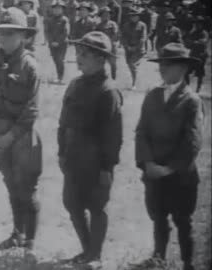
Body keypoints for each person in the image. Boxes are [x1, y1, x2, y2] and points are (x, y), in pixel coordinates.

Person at [135, 42, 204, 270]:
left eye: (169, 65)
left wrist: (169, 168)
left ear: (183, 68)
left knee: (183, 221)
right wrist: (148, 163)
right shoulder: (153, 95)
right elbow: (141, 131)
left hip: (180, 175)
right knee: (158, 217)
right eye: (161, 64)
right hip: (154, 172)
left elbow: (192, 141)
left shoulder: (191, 101)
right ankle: (159, 257)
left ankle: (188, 263)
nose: (162, 69)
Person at [0, 7, 42, 250]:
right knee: (11, 185)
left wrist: (9, 137)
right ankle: (17, 234)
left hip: (22, 138)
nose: (5, 39)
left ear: (23, 36)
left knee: (26, 188)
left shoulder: (30, 67)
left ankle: (30, 244)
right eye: (2, 33)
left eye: (11, 34)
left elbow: (31, 110)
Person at [58, 31, 122, 269]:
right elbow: (62, 123)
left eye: (85, 54)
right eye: (78, 52)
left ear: (100, 59)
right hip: (73, 157)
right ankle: (86, 250)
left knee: (96, 207)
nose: (79, 57)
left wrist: (107, 167)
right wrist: (61, 152)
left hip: (96, 162)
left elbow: (113, 136)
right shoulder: (75, 84)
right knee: (72, 203)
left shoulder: (108, 91)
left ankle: (95, 256)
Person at [44, 0, 70, 84]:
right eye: (55, 9)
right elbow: (47, 32)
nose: (57, 10)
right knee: (55, 60)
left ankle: (61, 78)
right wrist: (51, 41)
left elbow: (65, 32)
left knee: (60, 60)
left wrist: (58, 41)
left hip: (62, 44)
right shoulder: (49, 20)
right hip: (52, 44)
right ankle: (59, 76)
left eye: (59, 9)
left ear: (62, 10)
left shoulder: (64, 20)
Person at [121, 8, 147, 90]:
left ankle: (134, 84)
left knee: (132, 65)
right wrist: (127, 46)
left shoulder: (142, 25)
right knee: (129, 65)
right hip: (128, 49)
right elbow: (123, 37)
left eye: (136, 16)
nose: (134, 17)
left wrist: (136, 47)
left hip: (139, 49)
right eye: (132, 16)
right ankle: (134, 78)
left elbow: (143, 38)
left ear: (138, 17)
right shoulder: (126, 25)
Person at [184, 16, 209, 93]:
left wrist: (194, 42)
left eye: (199, 23)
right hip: (193, 54)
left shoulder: (204, 33)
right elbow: (188, 43)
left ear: (202, 24)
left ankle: (198, 88)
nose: (197, 25)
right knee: (186, 72)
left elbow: (203, 41)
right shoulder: (193, 33)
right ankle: (187, 87)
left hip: (201, 55)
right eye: (196, 23)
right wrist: (190, 42)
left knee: (200, 73)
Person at [96, 6, 118, 79]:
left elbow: (115, 35)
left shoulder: (113, 24)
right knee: (100, 64)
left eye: (108, 14)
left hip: (111, 47)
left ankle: (113, 79)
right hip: (101, 47)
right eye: (104, 14)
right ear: (101, 16)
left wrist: (109, 43)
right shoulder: (98, 26)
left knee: (113, 65)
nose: (107, 16)